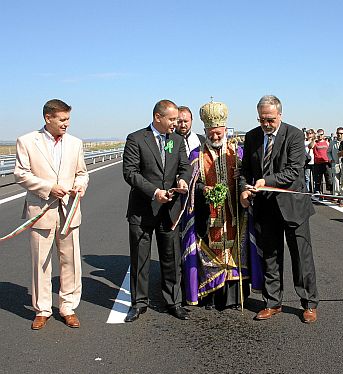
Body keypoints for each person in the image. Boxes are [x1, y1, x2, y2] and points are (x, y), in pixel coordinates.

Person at [240, 95, 319, 324]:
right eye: (262, 119)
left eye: (271, 119)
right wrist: (244, 189)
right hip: (266, 207)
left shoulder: (294, 135)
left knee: (301, 257)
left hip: (293, 206)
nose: (266, 124)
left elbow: (294, 171)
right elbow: (245, 170)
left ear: (280, 115)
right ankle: (272, 302)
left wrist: (266, 180)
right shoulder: (252, 136)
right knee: (271, 257)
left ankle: (309, 303)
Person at [14, 99, 89, 330]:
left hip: (69, 211)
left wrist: (79, 186)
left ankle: (68, 307)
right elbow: (21, 174)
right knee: (41, 263)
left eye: (68, 119)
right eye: (62, 119)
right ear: (48, 118)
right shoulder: (26, 142)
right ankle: (42, 309)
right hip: (40, 211)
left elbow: (82, 173)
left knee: (71, 261)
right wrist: (48, 188)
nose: (67, 124)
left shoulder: (75, 143)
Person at [181, 100, 263, 310]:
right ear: (206, 131)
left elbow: (251, 177)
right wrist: (203, 190)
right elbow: (191, 185)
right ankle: (211, 296)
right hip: (209, 216)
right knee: (210, 253)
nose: (215, 136)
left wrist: (241, 176)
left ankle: (236, 298)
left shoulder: (238, 152)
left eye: (219, 132)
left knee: (237, 253)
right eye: (211, 133)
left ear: (225, 129)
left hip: (236, 214)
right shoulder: (196, 155)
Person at [123, 99, 192, 322]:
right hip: (143, 210)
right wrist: (154, 192)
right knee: (140, 258)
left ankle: (173, 301)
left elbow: (185, 166)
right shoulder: (136, 139)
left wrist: (183, 180)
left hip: (170, 210)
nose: (176, 123)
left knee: (171, 257)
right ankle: (139, 303)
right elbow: (131, 173)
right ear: (157, 118)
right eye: (172, 119)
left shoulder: (177, 140)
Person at [311, 129, 332, 194]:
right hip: (318, 163)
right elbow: (310, 146)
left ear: (324, 135)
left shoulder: (327, 143)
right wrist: (314, 140)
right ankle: (318, 191)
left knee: (328, 178)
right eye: (319, 134)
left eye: (321, 134)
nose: (320, 136)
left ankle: (330, 191)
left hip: (326, 163)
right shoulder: (315, 143)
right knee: (318, 179)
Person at [328, 127, 343, 197]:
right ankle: (336, 195)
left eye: (341, 133)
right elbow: (328, 152)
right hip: (335, 163)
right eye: (338, 133)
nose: (339, 135)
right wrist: (331, 159)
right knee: (336, 180)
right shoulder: (332, 142)